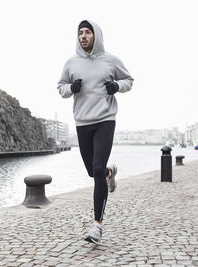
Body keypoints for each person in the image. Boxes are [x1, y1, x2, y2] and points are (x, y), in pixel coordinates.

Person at [57, 20, 133, 244]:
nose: (83, 36)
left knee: (97, 168)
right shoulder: (71, 63)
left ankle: (97, 226)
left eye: (87, 32)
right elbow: (60, 87)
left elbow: (129, 80)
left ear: (96, 35)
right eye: (80, 33)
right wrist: (71, 88)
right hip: (82, 121)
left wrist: (116, 86)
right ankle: (110, 173)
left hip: (105, 119)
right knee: (94, 172)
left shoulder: (111, 60)